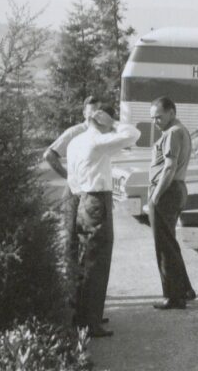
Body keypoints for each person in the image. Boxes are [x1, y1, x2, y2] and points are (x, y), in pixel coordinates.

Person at [67, 106, 141, 337]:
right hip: (97, 201)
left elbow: (72, 178)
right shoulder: (97, 141)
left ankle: (85, 314)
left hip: (82, 199)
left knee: (84, 259)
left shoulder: (76, 141)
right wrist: (115, 123)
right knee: (97, 263)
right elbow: (133, 134)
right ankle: (91, 322)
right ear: (102, 120)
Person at [43, 96, 101, 304]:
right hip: (75, 193)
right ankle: (69, 303)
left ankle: (85, 303)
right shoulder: (75, 132)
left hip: (92, 195)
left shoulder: (104, 133)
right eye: (91, 111)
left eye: (98, 111)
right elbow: (49, 155)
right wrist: (69, 176)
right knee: (71, 244)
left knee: (90, 245)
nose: (95, 115)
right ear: (84, 113)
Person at [148, 97, 195, 310]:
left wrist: (155, 196)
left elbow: (169, 167)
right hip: (174, 190)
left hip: (167, 191)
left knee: (164, 247)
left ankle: (173, 297)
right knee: (170, 243)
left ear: (172, 112)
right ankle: (184, 289)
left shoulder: (172, 133)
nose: (155, 121)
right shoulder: (179, 130)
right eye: (153, 118)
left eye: (159, 116)